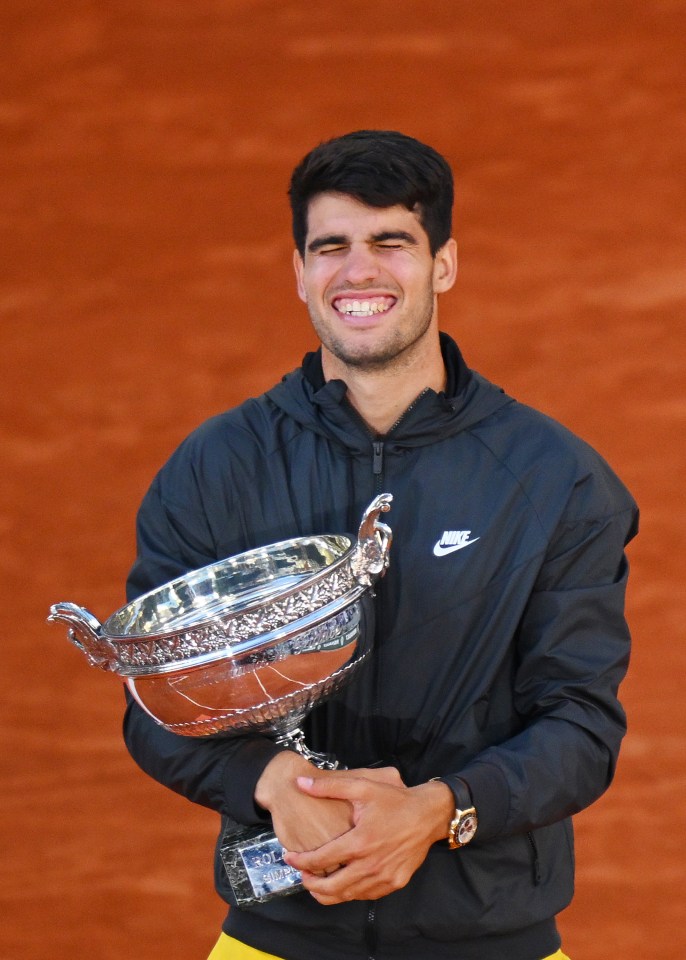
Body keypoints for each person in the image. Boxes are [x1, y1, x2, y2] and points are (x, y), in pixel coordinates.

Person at [123, 130, 638, 960]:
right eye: (332, 246)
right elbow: (158, 703)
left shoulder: (555, 477)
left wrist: (439, 810)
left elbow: (579, 724)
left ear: (443, 264)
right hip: (278, 933)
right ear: (299, 272)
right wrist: (274, 785)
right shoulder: (215, 468)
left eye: (390, 241)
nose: (358, 271)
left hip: (492, 934)